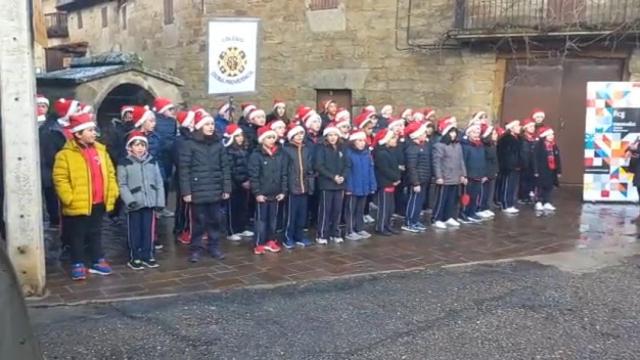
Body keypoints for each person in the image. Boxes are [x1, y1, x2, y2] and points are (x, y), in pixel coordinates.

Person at [53, 113, 119, 280]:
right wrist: (69, 198)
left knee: (96, 232)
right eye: (89, 130)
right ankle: (78, 263)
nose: (94, 133)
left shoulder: (101, 151)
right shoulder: (65, 155)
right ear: (78, 133)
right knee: (77, 234)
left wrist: (112, 191)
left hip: (98, 201)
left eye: (93, 130)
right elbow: (60, 178)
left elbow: (110, 173)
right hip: (78, 202)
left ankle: (97, 259)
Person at [179, 111, 231, 263]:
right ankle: (196, 248)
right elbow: (184, 169)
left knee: (215, 220)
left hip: (215, 188)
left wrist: (226, 188)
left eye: (212, 124)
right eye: (207, 124)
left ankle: (214, 247)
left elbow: (225, 167)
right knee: (198, 221)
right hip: (198, 189)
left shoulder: (218, 144)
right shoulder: (189, 144)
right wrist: (186, 191)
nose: (210, 127)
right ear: (200, 126)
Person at [117, 131, 165, 270]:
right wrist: (129, 200)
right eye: (137, 145)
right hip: (134, 203)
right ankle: (135, 256)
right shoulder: (124, 163)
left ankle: (148, 254)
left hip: (150, 202)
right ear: (130, 147)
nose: (140, 148)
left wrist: (159, 202)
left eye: (143, 145)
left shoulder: (152, 161)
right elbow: (122, 184)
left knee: (148, 231)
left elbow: (159, 182)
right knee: (135, 231)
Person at [248, 126, 287, 255]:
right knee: (261, 220)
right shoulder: (256, 155)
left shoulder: (280, 154)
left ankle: (271, 240)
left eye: (273, 137)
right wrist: (257, 193)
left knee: (273, 219)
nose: (271, 140)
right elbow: (254, 176)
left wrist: (283, 191)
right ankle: (259, 242)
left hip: (276, 193)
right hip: (263, 194)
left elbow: (283, 174)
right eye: (268, 137)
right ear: (262, 139)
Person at [314, 122, 349, 244]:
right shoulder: (321, 148)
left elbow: (347, 164)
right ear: (326, 136)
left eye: (335, 135)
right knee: (325, 210)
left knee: (337, 210)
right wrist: (332, 176)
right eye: (330, 135)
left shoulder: (342, 148)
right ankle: (322, 234)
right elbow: (319, 165)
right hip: (327, 184)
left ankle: (336, 232)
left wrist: (343, 176)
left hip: (340, 184)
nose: (333, 137)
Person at [282, 122, 315, 249]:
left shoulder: (306, 149)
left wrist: (310, 185)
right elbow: (285, 170)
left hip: (304, 186)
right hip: (292, 188)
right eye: (297, 134)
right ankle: (288, 237)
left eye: (301, 134)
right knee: (291, 215)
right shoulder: (286, 150)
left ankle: (299, 235)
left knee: (302, 214)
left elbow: (309, 168)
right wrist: (286, 187)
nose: (300, 136)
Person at [431, 117, 467, 230]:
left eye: (454, 132)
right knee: (441, 199)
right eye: (451, 132)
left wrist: (463, 174)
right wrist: (439, 176)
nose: (453, 134)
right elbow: (437, 162)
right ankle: (437, 218)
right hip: (445, 177)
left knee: (452, 199)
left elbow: (461, 161)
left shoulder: (458, 145)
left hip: (455, 177)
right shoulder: (440, 146)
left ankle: (449, 217)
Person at [344, 130, 376, 241]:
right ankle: (350, 230)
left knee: (360, 209)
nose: (362, 143)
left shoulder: (367, 154)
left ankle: (359, 228)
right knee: (351, 209)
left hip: (364, 186)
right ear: (353, 142)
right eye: (359, 140)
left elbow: (370, 169)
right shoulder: (349, 154)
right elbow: (347, 172)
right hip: (353, 187)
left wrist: (372, 184)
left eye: (363, 140)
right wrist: (348, 187)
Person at [224, 124, 254, 241]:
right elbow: (233, 169)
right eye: (237, 136)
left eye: (241, 135)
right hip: (234, 185)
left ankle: (241, 228)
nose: (240, 138)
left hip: (244, 184)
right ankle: (231, 231)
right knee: (233, 208)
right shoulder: (229, 152)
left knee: (242, 207)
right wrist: (242, 181)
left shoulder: (243, 150)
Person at [402, 121, 431, 232]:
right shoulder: (412, 148)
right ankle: (409, 222)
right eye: (423, 133)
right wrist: (415, 182)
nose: (425, 135)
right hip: (417, 181)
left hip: (423, 179)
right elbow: (412, 167)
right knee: (413, 201)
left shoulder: (422, 146)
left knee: (419, 202)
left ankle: (415, 220)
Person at [373, 128, 402, 236]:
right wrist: (395, 178)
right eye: (393, 138)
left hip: (391, 182)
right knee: (384, 207)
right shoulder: (381, 153)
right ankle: (380, 226)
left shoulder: (390, 151)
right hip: (385, 183)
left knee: (390, 207)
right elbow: (385, 169)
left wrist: (397, 177)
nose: (395, 140)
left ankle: (387, 225)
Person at [152, 97, 178, 218]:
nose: (172, 111)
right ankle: (156, 207)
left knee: (167, 181)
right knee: (159, 181)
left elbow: (173, 136)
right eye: (170, 109)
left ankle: (163, 206)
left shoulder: (173, 122)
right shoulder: (155, 120)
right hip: (159, 155)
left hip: (169, 156)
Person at [173, 110, 196, 245]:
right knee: (183, 205)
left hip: (193, 175)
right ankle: (182, 229)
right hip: (184, 176)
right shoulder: (180, 140)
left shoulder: (191, 137)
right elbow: (179, 160)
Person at [460, 123, 488, 223]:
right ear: (469, 133)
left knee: (475, 196)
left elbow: (483, 160)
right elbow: (463, 161)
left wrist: (483, 174)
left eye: (478, 132)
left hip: (478, 175)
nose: (476, 134)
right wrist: (464, 175)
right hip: (469, 175)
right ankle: (463, 213)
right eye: (474, 132)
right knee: (466, 196)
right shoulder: (465, 146)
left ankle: (471, 212)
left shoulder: (480, 146)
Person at [497, 119, 523, 214]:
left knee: (512, 186)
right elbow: (505, 155)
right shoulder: (506, 139)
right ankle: (505, 204)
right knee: (507, 186)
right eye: (517, 126)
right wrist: (508, 165)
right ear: (511, 128)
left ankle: (511, 203)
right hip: (508, 167)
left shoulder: (518, 138)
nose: (519, 128)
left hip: (516, 166)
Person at [533, 127, 561, 211]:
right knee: (540, 186)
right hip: (542, 169)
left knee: (549, 186)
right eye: (550, 135)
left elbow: (557, 158)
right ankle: (538, 201)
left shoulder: (554, 145)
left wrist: (559, 170)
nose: (552, 136)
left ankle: (547, 202)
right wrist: (536, 170)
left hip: (551, 169)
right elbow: (535, 158)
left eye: (552, 134)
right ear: (545, 136)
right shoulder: (539, 145)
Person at [477, 125, 500, 218]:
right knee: (483, 191)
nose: (496, 135)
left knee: (488, 191)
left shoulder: (493, 145)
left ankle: (486, 207)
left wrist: (495, 170)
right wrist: (484, 174)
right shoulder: (484, 146)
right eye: (493, 133)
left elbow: (495, 160)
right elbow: (483, 161)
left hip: (491, 172)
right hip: (485, 172)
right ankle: (480, 208)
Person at [518, 118, 538, 204]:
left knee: (530, 180)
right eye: (530, 126)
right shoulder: (522, 139)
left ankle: (528, 195)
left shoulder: (533, 139)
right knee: (524, 180)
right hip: (525, 163)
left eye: (533, 126)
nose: (533, 128)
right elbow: (522, 152)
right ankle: (523, 196)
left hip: (532, 163)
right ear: (525, 128)